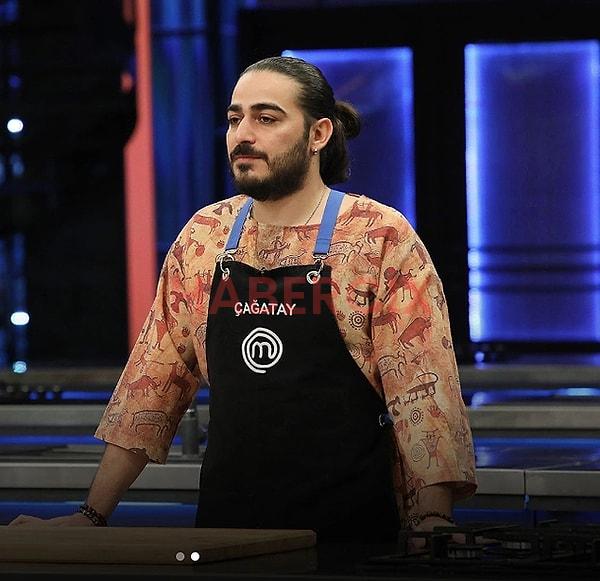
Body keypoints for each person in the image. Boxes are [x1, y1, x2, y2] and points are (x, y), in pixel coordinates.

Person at [9, 55, 477, 540]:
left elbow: (425, 392)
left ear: (318, 134)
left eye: (266, 118)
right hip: (225, 538)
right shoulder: (204, 236)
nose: (242, 135)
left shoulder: (378, 235)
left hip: (353, 537)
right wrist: (91, 515)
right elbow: (150, 388)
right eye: (235, 119)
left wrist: (433, 519)